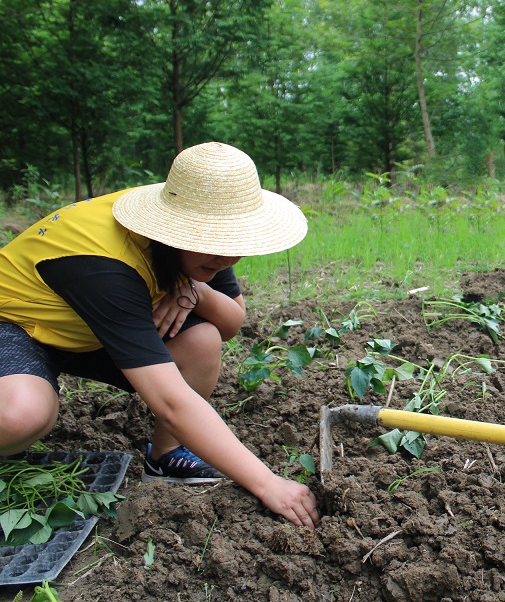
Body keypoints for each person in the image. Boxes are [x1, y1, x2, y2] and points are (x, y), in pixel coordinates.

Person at [0, 142, 320, 529]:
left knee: (202, 341)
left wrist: (195, 290)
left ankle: (165, 456)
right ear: (175, 227)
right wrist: (267, 482)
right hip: (15, 323)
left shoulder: (200, 230)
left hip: (85, 327)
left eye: (236, 244)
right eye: (214, 243)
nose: (226, 259)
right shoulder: (104, 264)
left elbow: (232, 320)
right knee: (22, 416)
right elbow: (170, 400)